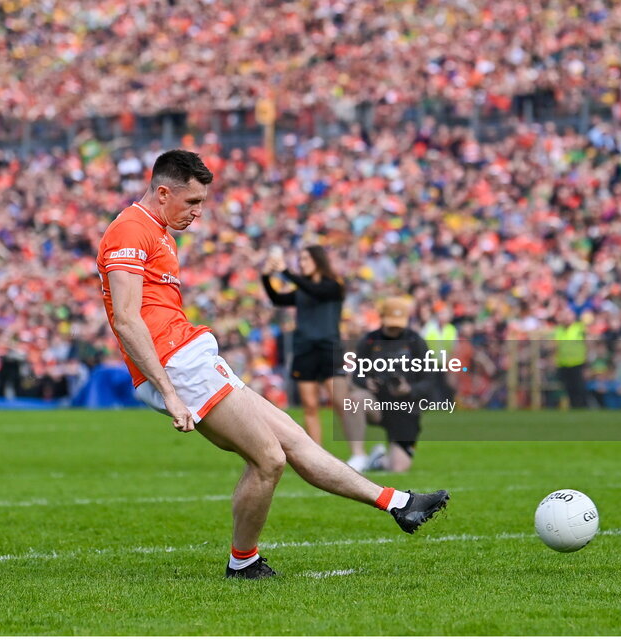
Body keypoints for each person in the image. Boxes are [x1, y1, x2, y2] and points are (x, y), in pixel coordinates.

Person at [96, 150, 449, 579]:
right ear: (163, 191)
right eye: (192, 203)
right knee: (269, 459)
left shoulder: (161, 231)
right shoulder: (130, 229)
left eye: (202, 202)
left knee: (295, 440)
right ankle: (243, 562)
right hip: (176, 365)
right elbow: (128, 320)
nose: (199, 212)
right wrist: (169, 393)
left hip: (192, 355)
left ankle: (399, 504)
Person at [261, 245, 344, 445]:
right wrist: (266, 276)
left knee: (340, 402)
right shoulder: (302, 289)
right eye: (300, 259)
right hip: (305, 348)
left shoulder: (333, 285)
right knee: (310, 405)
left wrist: (285, 272)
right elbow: (277, 299)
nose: (302, 263)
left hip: (328, 347)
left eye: (306, 259)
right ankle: (318, 455)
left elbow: (316, 291)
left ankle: (359, 453)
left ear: (318, 260)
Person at [339, 298, 433, 473]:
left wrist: (409, 389)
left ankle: (377, 461)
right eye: (391, 325)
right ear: (382, 318)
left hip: (406, 408)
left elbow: (429, 381)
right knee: (354, 398)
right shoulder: (368, 341)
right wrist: (366, 382)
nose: (395, 329)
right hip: (377, 403)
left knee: (398, 468)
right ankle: (358, 454)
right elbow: (357, 374)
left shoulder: (416, 342)